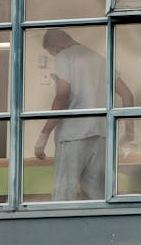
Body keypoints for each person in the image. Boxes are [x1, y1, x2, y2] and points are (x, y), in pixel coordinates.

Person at [34, 29, 134, 200]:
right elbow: (127, 95)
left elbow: (62, 97)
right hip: (102, 136)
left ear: (56, 47)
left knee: (64, 193)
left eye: (52, 53)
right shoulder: (100, 60)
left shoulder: (64, 57)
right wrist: (129, 132)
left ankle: (62, 228)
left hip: (73, 135)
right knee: (97, 194)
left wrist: (44, 134)